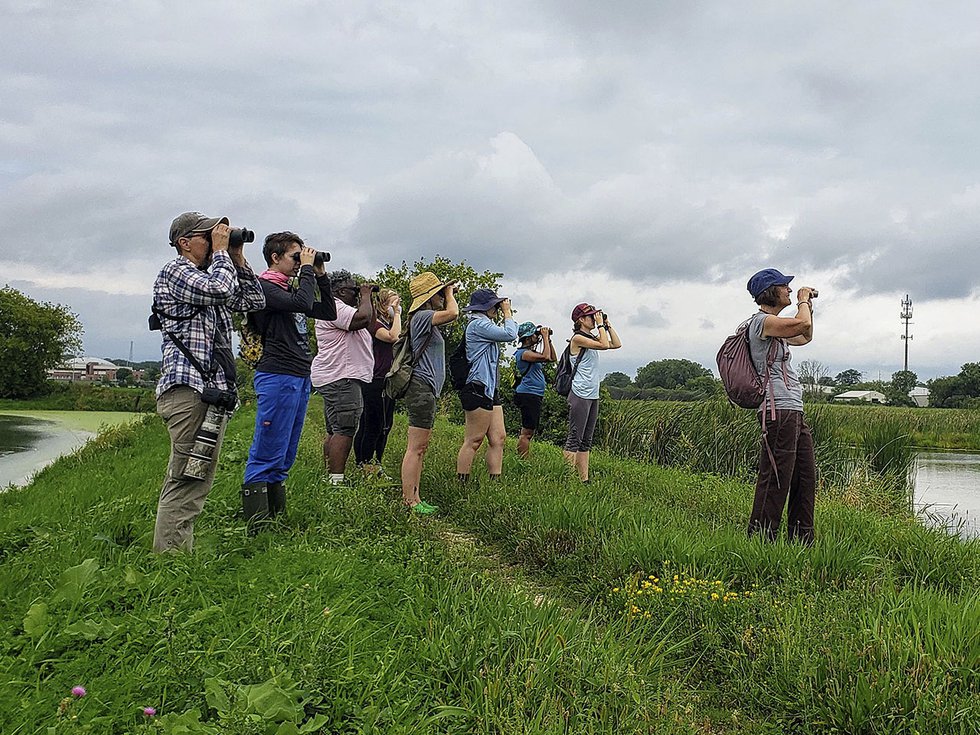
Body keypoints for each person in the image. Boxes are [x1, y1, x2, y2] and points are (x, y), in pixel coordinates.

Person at [151, 212, 265, 552]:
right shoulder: (176, 271)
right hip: (189, 393)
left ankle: (174, 555)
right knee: (187, 480)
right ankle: (169, 565)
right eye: (208, 236)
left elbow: (252, 302)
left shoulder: (212, 273)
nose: (217, 241)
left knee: (194, 478)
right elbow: (220, 289)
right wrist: (220, 253)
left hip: (209, 395)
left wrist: (238, 256)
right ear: (185, 243)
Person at [240, 232, 336, 521]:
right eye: (295, 257)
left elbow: (327, 311)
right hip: (277, 374)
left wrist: (320, 275)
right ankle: (256, 525)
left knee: (285, 453)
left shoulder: (288, 290)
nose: (300, 262)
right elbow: (303, 304)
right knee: (267, 450)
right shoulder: (265, 287)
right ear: (275, 258)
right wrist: (307, 270)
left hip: (298, 374)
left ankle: (275, 520)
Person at [745, 268, 817, 544]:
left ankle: (802, 541)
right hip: (778, 410)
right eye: (784, 286)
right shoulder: (762, 323)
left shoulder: (776, 327)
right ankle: (761, 540)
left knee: (804, 477)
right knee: (776, 478)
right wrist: (801, 300)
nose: (789, 289)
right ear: (771, 291)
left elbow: (805, 335)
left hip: (793, 409)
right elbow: (801, 325)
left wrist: (807, 304)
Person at [399, 272, 459, 514]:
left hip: (426, 388)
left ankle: (415, 496)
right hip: (421, 386)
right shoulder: (423, 316)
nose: (442, 298)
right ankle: (409, 500)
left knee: (421, 447)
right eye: (438, 293)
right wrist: (449, 293)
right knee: (416, 446)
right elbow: (453, 313)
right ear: (430, 296)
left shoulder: (423, 318)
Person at [311, 270, 376, 486]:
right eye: (353, 289)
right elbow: (363, 318)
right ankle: (336, 482)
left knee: (335, 430)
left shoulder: (338, 308)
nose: (357, 293)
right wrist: (365, 295)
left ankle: (330, 476)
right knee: (345, 430)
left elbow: (370, 321)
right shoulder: (336, 307)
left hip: (336, 376)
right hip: (342, 377)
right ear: (339, 291)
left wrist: (367, 298)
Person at [455, 289, 518, 481]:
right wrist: (508, 312)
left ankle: (495, 481)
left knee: (498, 437)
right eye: (495, 305)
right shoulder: (478, 325)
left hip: (490, 388)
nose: (497, 308)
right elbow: (510, 334)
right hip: (477, 386)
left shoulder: (485, 324)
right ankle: (462, 482)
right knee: (474, 440)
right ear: (486, 307)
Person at [563, 303, 622, 482]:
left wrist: (607, 324)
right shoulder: (578, 339)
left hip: (592, 394)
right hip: (580, 393)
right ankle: (567, 478)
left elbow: (616, 344)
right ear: (581, 319)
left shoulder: (591, 338)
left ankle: (584, 479)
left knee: (586, 440)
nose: (594, 319)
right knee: (575, 438)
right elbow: (604, 345)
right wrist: (601, 326)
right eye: (591, 316)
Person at [353, 287, 402, 477]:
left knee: (385, 425)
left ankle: (375, 464)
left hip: (388, 379)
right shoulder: (374, 323)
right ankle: (365, 464)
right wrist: (397, 315)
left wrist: (396, 317)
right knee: (373, 424)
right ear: (382, 305)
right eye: (394, 302)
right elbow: (393, 337)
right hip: (375, 379)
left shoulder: (389, 323)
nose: (397, 307)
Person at [512, 321, 557, 458]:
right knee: (527, 432)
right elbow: (545, 356)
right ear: (527, 337)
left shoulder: (531, 352)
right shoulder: (523, 353)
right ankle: (523, 459)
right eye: (534, 335)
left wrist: (548, 340)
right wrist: (543, 336)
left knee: (529, 430)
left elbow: (552, 358)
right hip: (528, 394)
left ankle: (523, 457)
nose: (536, 337)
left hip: (533, 394)